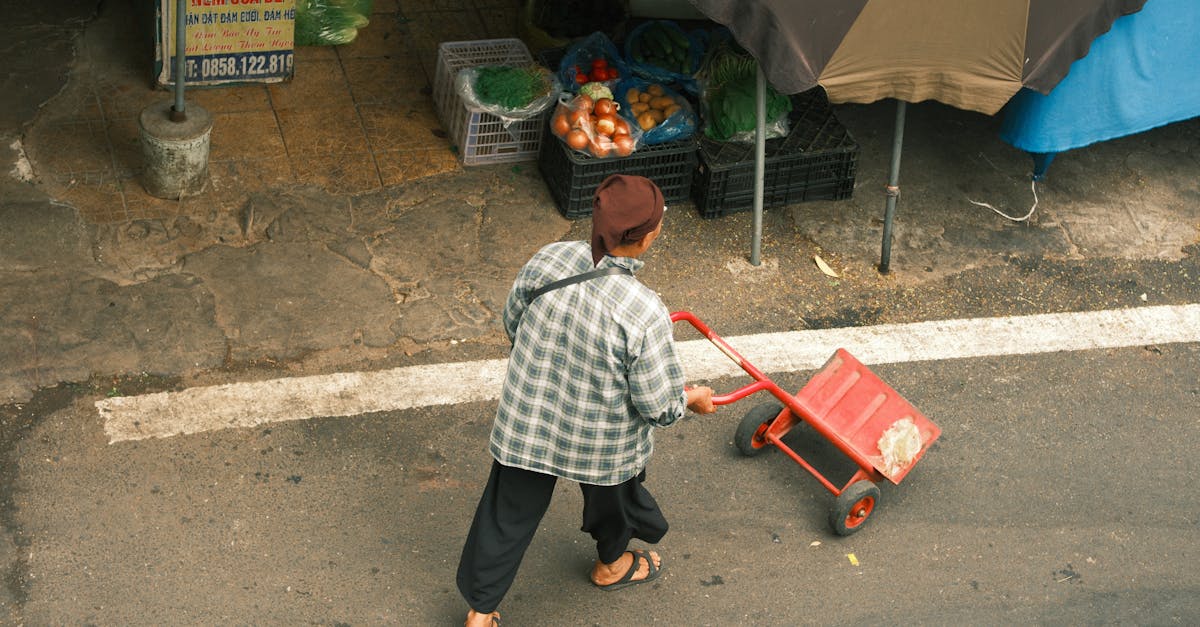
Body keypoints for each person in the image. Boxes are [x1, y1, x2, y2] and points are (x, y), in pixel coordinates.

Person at [456, 174, 716, 626]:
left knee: (506, 513)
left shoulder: (548, 260)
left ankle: (480, 613)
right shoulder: (643, 311)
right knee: (615, 499)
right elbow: (657, 406)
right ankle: (611, 565)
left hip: (528, 422)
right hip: (602, 442)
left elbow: (514, 322)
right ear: (648, 237)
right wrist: (691, 398)